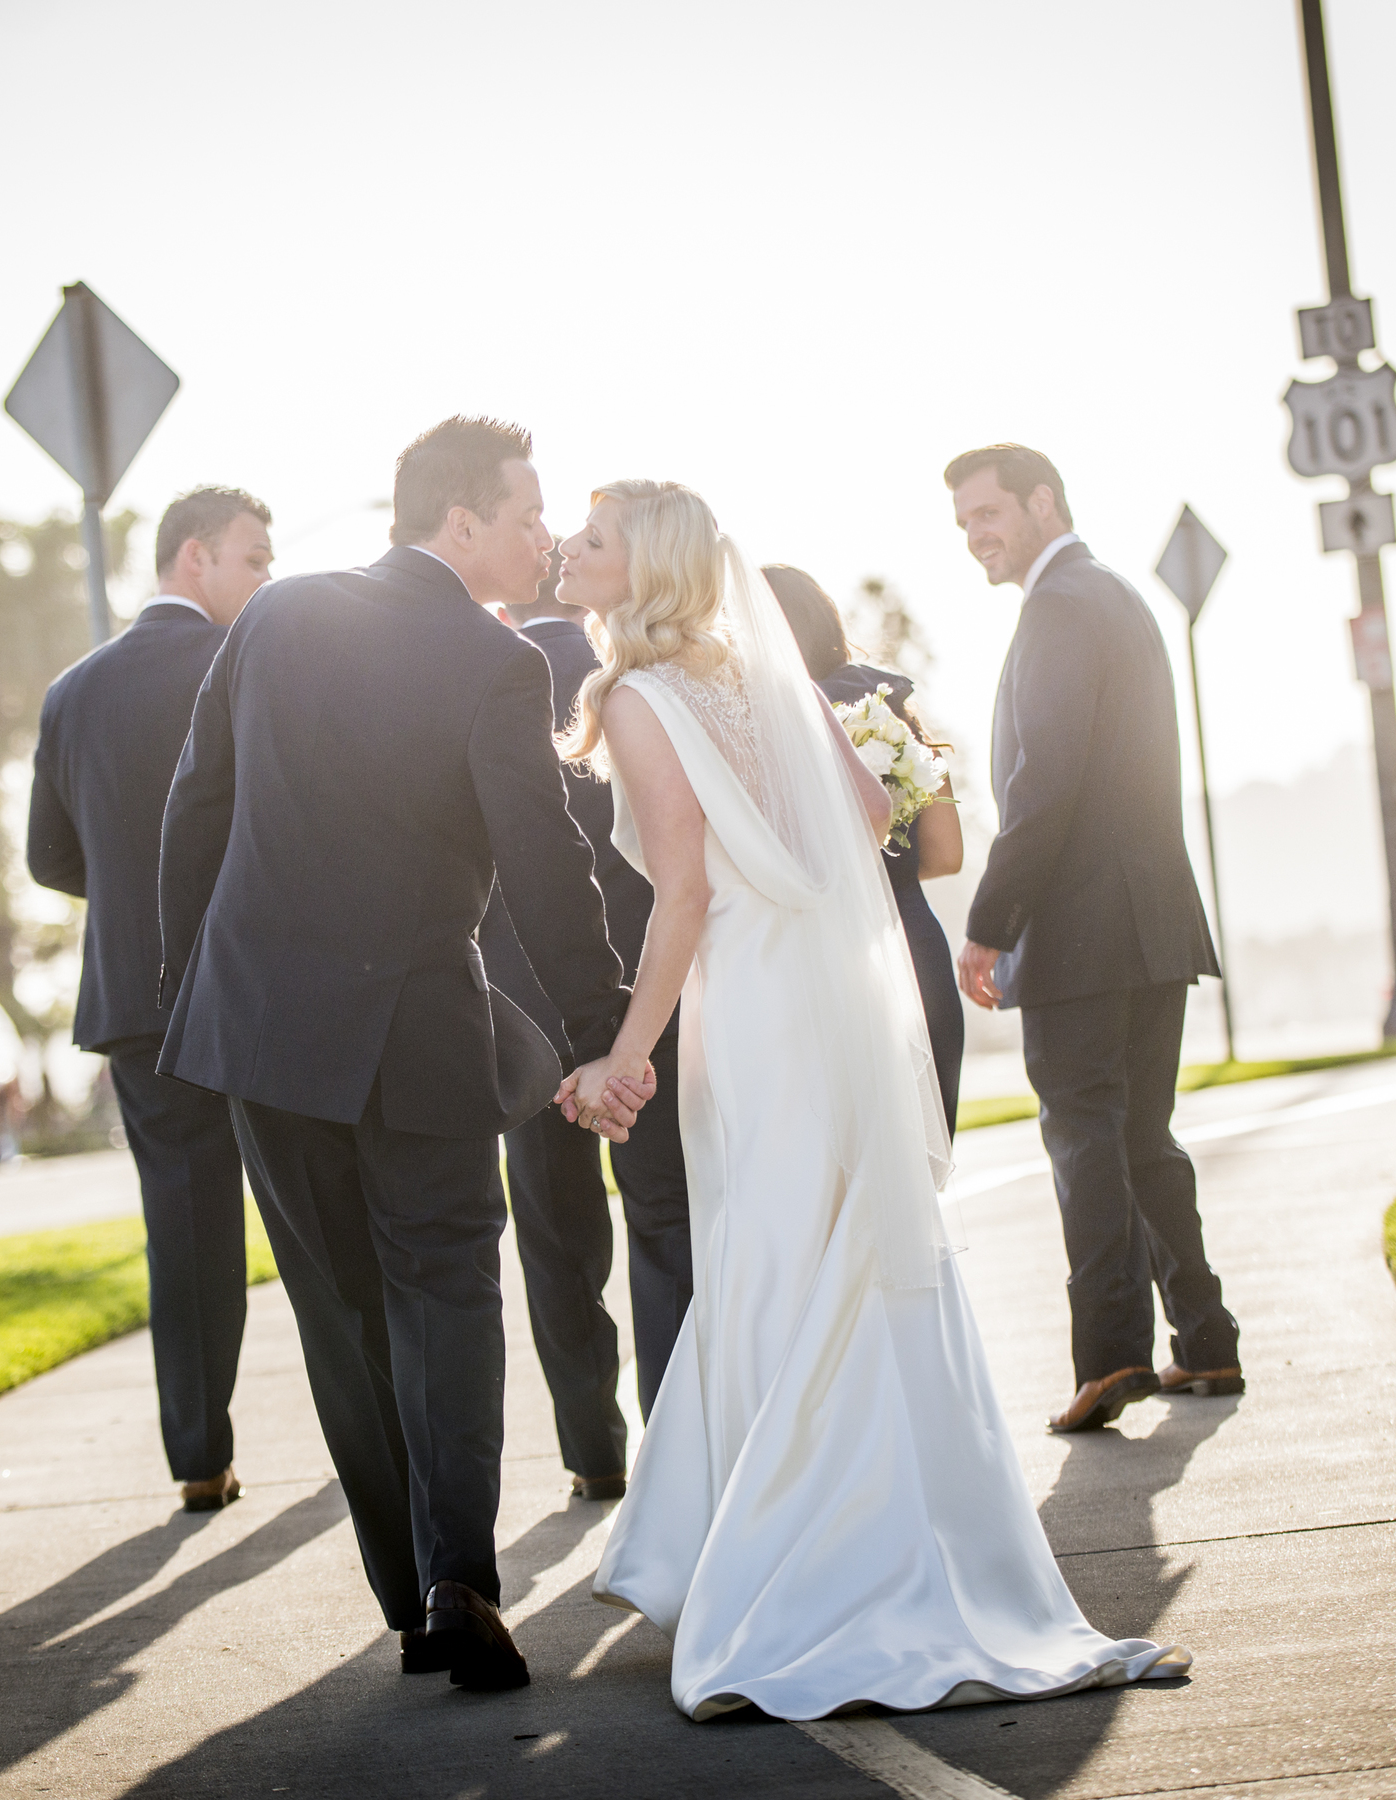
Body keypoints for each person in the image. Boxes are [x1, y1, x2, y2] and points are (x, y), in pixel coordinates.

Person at [567, 480, 1186, 1721]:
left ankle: (786, 1570)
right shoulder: (759, 677)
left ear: (646, 572)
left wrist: (626, 1050)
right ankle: (860, 1543)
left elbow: (680, 895)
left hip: (746, 1001)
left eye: (592, 542)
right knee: (843, 1246)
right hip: (824, 994)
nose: (570, 556)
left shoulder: (638, 697)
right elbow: (865, 812)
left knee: (772, 1252)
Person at [156, 417, 637, 1693]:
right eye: (529, 514)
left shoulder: (271, 617)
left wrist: (188, 999)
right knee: (445, 1291)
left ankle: (409, 1598)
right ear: (458, 522)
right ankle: (458, 1575)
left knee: (341, 1310)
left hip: (259, 1032)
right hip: (416, 1029)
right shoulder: (493, 662)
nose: (545, 538)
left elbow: (195, 804)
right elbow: (544, 858)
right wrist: (601, 1029)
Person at [943, 443, 1241, 1435]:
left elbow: (1046, 784)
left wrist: (988, 925)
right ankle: (1204, 1341)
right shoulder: (1114, 596)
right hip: (1153, 921)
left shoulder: (1059, 605)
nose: (977, 536)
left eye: (989, 513)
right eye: (964, 524)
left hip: (1082, 934)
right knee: (1141, 1135)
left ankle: (1110, 1353)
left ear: (1042, 502)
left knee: (1083, 1141)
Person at [27, 484, 276, 1515]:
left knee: (183, 1230)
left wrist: (136, 896)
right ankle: (377, 1436)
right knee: (316, 1223)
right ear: (193, 560)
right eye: (254, 558)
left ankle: (197, 1456)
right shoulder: (247, 664)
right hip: (259, 988)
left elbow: (49, 859)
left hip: (135, 995)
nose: (269, 579)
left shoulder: (72, 692)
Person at [480, 549, 694, 1502]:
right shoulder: (638, 681)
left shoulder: (482, 678)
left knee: (553, 1229)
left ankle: (592, 1448)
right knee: (662, 1217)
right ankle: (684, 1440)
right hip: (645, 996)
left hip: (522, 1003)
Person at [764, 564, 965, 1130]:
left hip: (828, 965)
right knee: (925, 1164)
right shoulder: (893, 709)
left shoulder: (777, 721)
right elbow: (948, 855)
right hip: (916, 946)